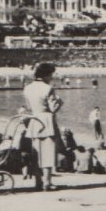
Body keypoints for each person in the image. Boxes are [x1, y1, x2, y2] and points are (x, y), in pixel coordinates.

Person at [23, 63, 63, 191]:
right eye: (51, 74)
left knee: (36, 153)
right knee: (48, 152)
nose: (52, 77)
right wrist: (60, 102)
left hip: (35, 120)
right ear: (46, 75)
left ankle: (38, 182)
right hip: (47, 121)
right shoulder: (48, 88)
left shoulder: (27, 88)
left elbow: (29, 107)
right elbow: (53, 109)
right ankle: (47, 182)